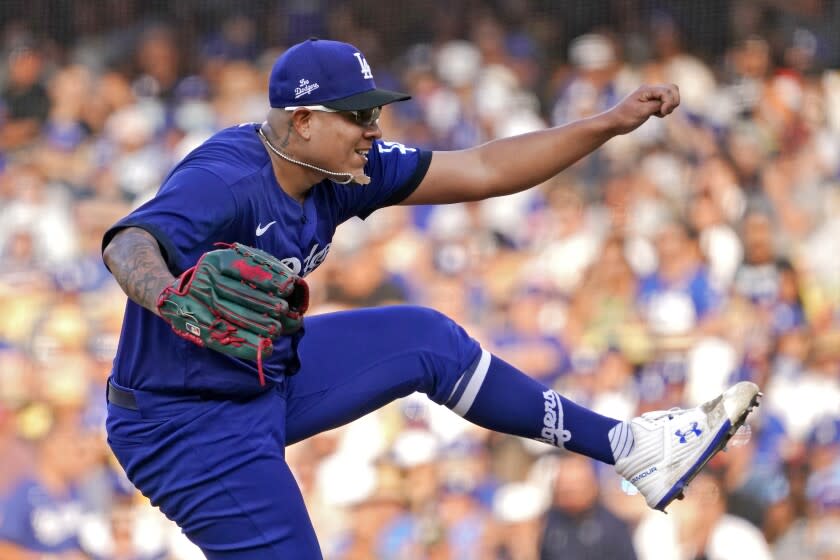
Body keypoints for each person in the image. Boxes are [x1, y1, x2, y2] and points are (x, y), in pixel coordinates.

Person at [100, 38, 761, 559]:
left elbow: (484, 169)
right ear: (302, 120)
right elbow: (129, 243)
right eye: (357, 114)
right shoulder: (225, 178)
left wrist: (608, 124)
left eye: (375, 111)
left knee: (428, 342)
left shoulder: (344, 169)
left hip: (262, 375)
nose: (373, 126)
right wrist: (168, 294)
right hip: (183, 425)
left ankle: (629, 446)